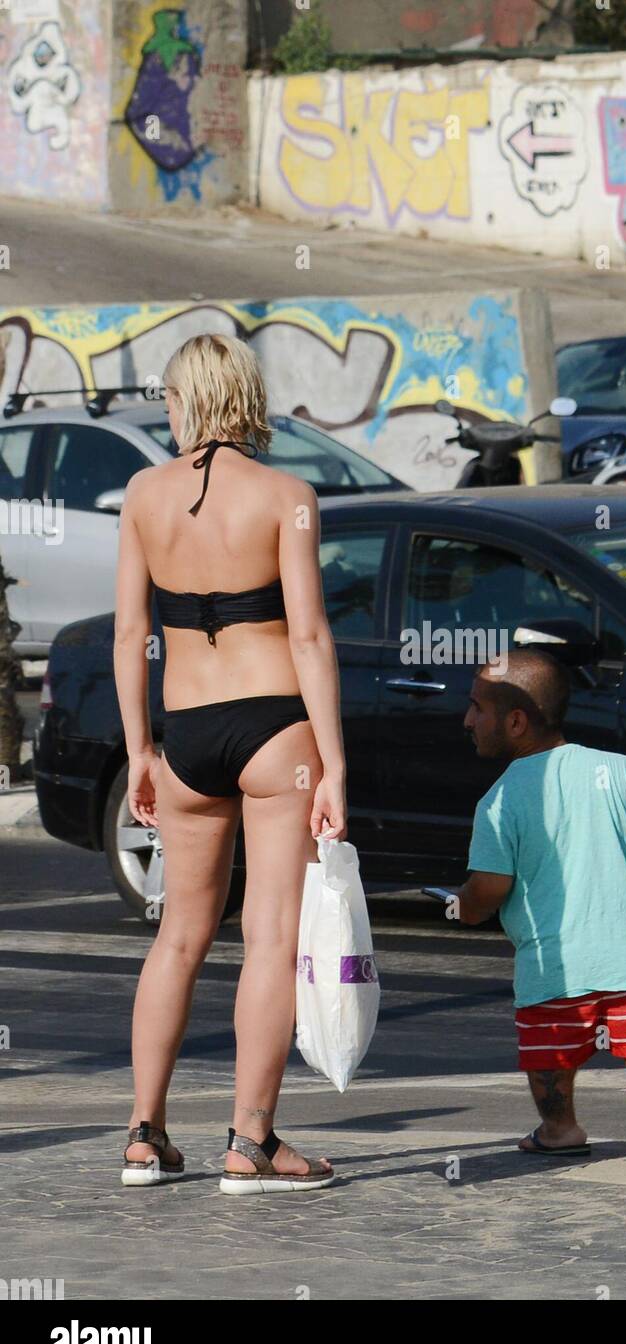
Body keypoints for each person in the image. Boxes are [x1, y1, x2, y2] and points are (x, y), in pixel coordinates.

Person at [113, 333, 346, 1194]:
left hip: (186, 732)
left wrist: (140, 746)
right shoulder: (286, 496)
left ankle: (145, 1133)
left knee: (178, 935)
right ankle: (250, 1143)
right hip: (273, 730)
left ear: (194, 400)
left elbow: (129, 634)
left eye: (171, 399)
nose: (167, 414)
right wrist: (332, 763)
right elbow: (312, 636)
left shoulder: (143, 495)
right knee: (271, 938)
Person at [452, 649, 626, 1157]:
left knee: (551, 1048)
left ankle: (559, 1127)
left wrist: (464, 905)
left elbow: (490, 887)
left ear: (516, 721)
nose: (467, 719)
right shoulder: (619, 769)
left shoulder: (499, 801)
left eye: (477, 707)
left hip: (552, 964)